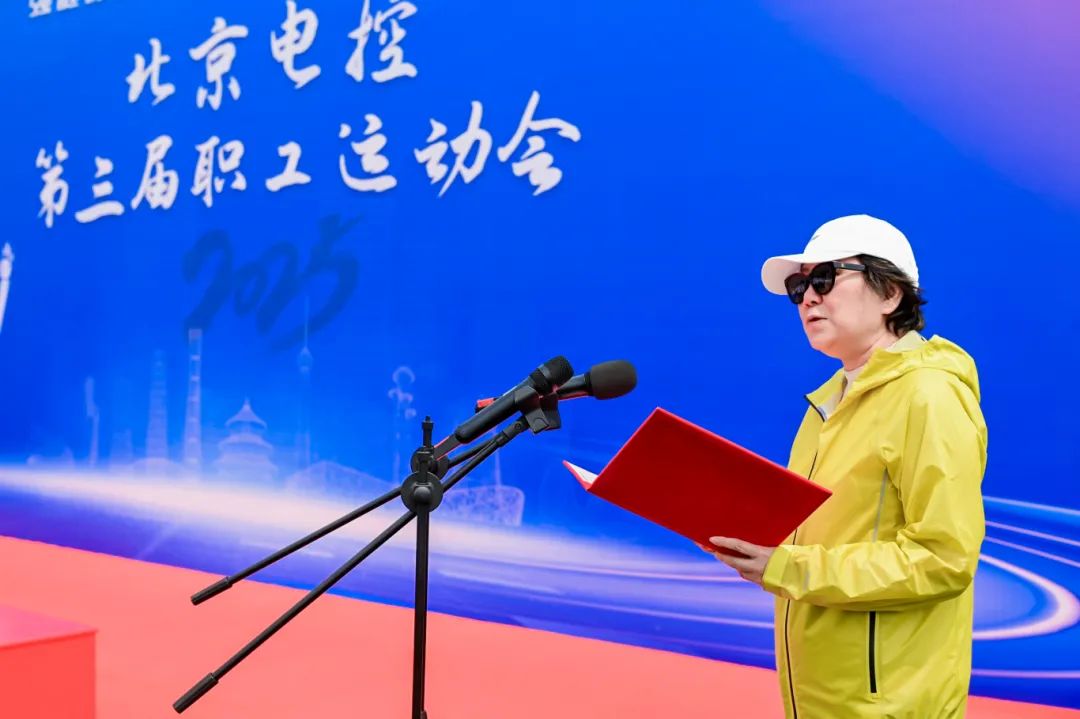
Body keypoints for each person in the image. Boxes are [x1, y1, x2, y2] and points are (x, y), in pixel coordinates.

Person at [702, 214, 988, 718]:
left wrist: (788, 567)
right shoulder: (829, 403)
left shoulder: (928, 395)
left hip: (890, 705)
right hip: (822, 698)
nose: (808, 298)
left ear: (891, 294)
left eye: (825, 277)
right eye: (799, 287)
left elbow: (943, 558)